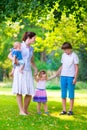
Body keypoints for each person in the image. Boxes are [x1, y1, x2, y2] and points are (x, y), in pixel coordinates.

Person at [8, 32, 38, 115]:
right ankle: (21, 110)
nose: (35, 40)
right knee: (19, 91)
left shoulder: (31, 49)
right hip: (19, 71)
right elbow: (10, 55)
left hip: (28, 71)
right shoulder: (20, 45)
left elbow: (31, 61)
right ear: (29, 37)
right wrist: (16, 61)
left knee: (30, 92)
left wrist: (35, 69)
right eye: (34, 38)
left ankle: (25, 110)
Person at [56, 42, 79, 115]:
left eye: (66, 50)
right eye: (64, 50)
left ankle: (70, 110)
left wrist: (75, 78)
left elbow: (76, 67)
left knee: (71, 94)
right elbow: (63, 65)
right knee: (63, 94)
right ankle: (64, 110)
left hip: (71, 76)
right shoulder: (63, 55)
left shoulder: (74, 56)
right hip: (63, 76)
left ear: (70, 49)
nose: (65, 51)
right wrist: (58, 71)